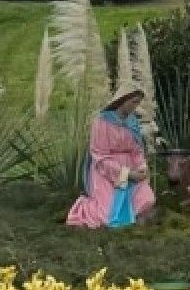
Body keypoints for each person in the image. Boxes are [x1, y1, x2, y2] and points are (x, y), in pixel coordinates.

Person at [66, 86, 156, 229]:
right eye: (133, 102)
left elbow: (137, 151)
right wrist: (126, 173)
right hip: (107, 172)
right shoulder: (102, 122)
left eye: (138, 102)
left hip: (131, 169)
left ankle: (135, 216)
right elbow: (100, 155)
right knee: (106, 214)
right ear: (123, 100)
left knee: (147, 199)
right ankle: (83, 209)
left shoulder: (132, 122)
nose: (136, 106)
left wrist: (142, 167)